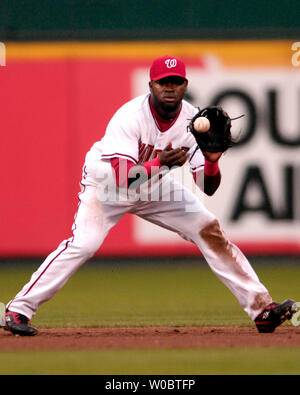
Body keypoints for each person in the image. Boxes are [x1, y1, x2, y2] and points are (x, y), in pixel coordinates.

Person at [3, 55, 296, 336]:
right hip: (107, 183)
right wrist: (162, 163)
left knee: (208, 228)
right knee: (83, 245)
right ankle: (18, 310)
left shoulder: (193, 121)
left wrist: (211, 160)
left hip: (154, 183)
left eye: (176, 81)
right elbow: (122, 177)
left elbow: (206, 187)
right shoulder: (130, 116)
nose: (169, 88)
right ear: (150, 86)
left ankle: (262, 310)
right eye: (162, 82)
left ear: (185, 85)